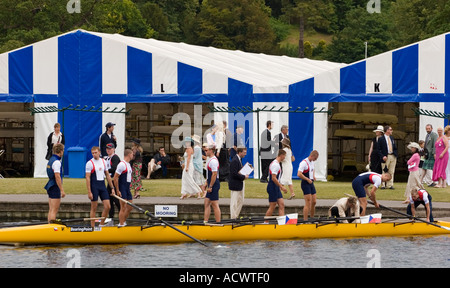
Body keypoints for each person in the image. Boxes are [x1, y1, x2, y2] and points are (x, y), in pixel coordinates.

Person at [86, 146, 114, 227]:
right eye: (93, 153)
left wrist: (112, 188)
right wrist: (89, 191)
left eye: (95, 152)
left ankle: (101, 225)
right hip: (94, 187)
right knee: (94, 208)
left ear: (99, 152)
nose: (94, 154)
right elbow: (87, 178)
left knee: (108, 206)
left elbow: (108, 176)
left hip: (102, 186)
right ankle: (92, 227)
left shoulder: (103, 161)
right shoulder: (89, 163)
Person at [44, 143, 65, 223]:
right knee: (54, 210)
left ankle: (49, 225)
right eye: (62, 150)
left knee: (51, 209)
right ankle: (52, 227)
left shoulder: (51, 159)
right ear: (60, 151)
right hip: (55, 186)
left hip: (50, 185)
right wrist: (62, 190)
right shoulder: (57, 162)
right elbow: (57, 176)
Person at [113, 148, 134, 227]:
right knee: (123, 207)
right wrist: (117, 190)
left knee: (130, 207)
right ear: (129, 155)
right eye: (132, 154)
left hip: (127, 188)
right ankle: (121, 224)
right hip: (122, 188)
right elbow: (115, 178)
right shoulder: (122, 164)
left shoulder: (128, 164)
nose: (133, 156)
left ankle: (123, 221)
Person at [265, 149, 287, 218]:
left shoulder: (276, 163)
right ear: (281, 155)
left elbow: (276, 178)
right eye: (284, 156)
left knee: (281, 204)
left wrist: (279, 184)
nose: (285, 157)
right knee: (272, 206)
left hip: (276, 187)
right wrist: (281, 186)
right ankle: (265, 222)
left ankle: (282, 222)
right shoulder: (275, 165)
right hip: (272, 187)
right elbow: (273, 178)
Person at [297, 150, 319, 220]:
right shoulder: (304, 163)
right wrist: (307, 179)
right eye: (315, 159)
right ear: (312, 156)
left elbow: (313, 169)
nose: (315, 160)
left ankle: (312, 218)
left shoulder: (312, 162)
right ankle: (305, 220)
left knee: (314, 202)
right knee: (308, 202)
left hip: (311, 183)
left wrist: (313, 176)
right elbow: (299, 174)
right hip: (305, 183)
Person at [228, 147, 249, 219]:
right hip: (235, 184)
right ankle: (233, 217)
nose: (245, 154)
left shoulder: (238, 160)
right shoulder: (235, 160)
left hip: (239, 183)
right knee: (234, 202)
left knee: (241, 201)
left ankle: (235, 216)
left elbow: (237, 172)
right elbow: (233, 174)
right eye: (244, 152)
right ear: (239, 152)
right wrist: (243, 177)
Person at [204, 146, 221, 223]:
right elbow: (209, 174)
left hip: (214, 184)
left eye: (206, 150)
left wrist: (210, 186)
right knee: (206, 203)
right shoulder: (210, 159)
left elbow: (214, 174)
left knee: (214, 204)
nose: (205, 151)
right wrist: (206, 183)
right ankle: (205, 221)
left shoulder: (213, 161)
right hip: (211, 183)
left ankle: (218, 222)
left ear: (211, 150)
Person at [105, 143, 121, 222]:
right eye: (107, 148)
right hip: (109, 181)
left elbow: (114, 168)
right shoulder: (107, 158)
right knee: (109, 199)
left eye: (110, 148)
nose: (108, 150)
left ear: (114, 149)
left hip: (114, 180)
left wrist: (106, 171)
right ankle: (111, 217)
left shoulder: (115, 158)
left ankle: (122, 216)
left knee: (116, 200)